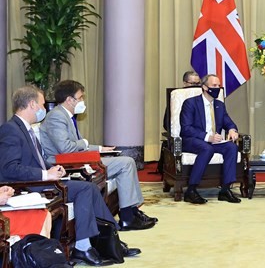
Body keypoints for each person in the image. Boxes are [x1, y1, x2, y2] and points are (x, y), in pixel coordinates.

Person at [0, 86, 139, 266]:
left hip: (41, 181)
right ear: (32, 104)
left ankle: (110, 242)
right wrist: (45, 174)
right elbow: (9, 168)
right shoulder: (11, 129)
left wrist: (54, 168)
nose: (44, 108)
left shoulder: (25, 128)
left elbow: (38, 160)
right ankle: (84, 248)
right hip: (28, 185)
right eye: (42, 104)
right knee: (85, 189)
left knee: (89, 188)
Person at [39, 80, 156, 231]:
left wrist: (101, 149)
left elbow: (78, 145)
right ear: (69, 100)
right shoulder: (57, 117)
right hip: (64, 164)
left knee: (127, 161)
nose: (82, 101)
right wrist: (85, 143)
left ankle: (132, 211)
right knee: (126, 162)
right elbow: (66, 148)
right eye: (80, 98)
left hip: (75, 159)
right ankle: (127, 217)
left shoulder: (66, 116)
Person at [179, 74, 241, 204]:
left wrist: (232, 129)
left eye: (218, 85)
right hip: (193, 140)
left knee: (231, 147)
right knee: (207, 149)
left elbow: (228, 122)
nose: (217, 88)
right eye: (214, 85)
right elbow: (186, 128)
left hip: (214, 141)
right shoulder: (190, 103)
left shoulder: (219, 105)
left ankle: (225, 189)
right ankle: (191, 190)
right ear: (204, 87)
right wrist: (208, 137)